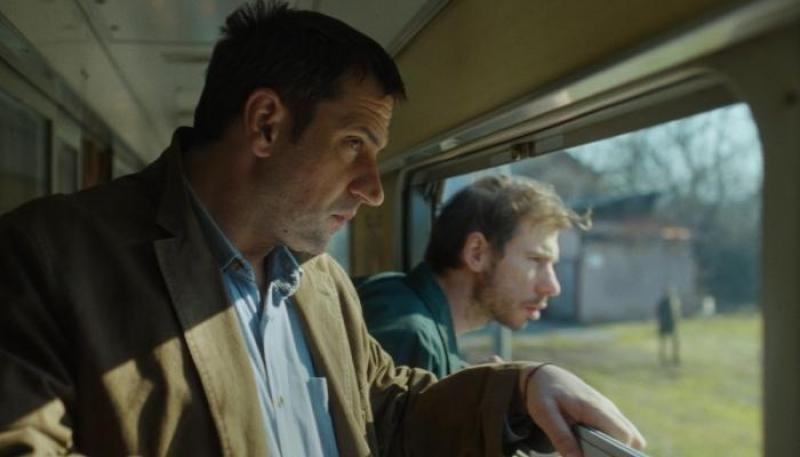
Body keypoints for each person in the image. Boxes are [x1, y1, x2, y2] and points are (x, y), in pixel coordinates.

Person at [0, 2, 644, 456]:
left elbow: (386, 411)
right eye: (354, 144)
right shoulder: (48, 257)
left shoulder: (323, 283)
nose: (373, 187)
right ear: (266, 125)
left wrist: (522, 390)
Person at [359, 176, 588, 378]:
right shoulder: (411, 336)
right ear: (477, 253)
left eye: (552, 265)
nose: (552, 287)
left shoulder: (398, 298)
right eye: (536, 260)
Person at [657, 286, 682, 366]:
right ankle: (663, 358)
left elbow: (677, 314)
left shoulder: (674, 302)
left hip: (672, 325)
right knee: (664, 343)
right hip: (665, 325)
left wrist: (676, 322)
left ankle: (675, 358)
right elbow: (659, 314)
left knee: (674, 342)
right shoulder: (663, 303)